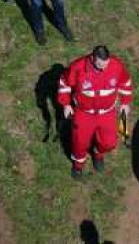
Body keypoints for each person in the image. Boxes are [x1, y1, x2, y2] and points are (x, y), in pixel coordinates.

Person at [57, 45, 133, 179]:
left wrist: (125, 102)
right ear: (92, 58)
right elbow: (64, 82)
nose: (104, 68)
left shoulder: (116, 66)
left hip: (107, 113)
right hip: (84, 113)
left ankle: (98, 154)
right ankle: (78, 165)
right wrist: (66, 105)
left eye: (106, 64)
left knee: (109, 142)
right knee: (80, 142)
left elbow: (125, 83)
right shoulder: (78, 67)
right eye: (100, 65)